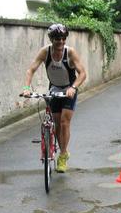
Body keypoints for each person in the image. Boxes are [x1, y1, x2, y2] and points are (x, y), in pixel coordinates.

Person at [22, 24, 87, 173]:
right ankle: (61, 149)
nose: (61, 42)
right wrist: (26, 88)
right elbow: (31, 70)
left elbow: (83, 73)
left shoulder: (70, 53)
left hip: (69, 90)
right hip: (55, 89)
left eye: (63, 38)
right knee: (57, 124)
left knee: (64, 122)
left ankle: (63, 155)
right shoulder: (45, 52)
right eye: (58, 39)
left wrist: (73, 87)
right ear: (51, 39)